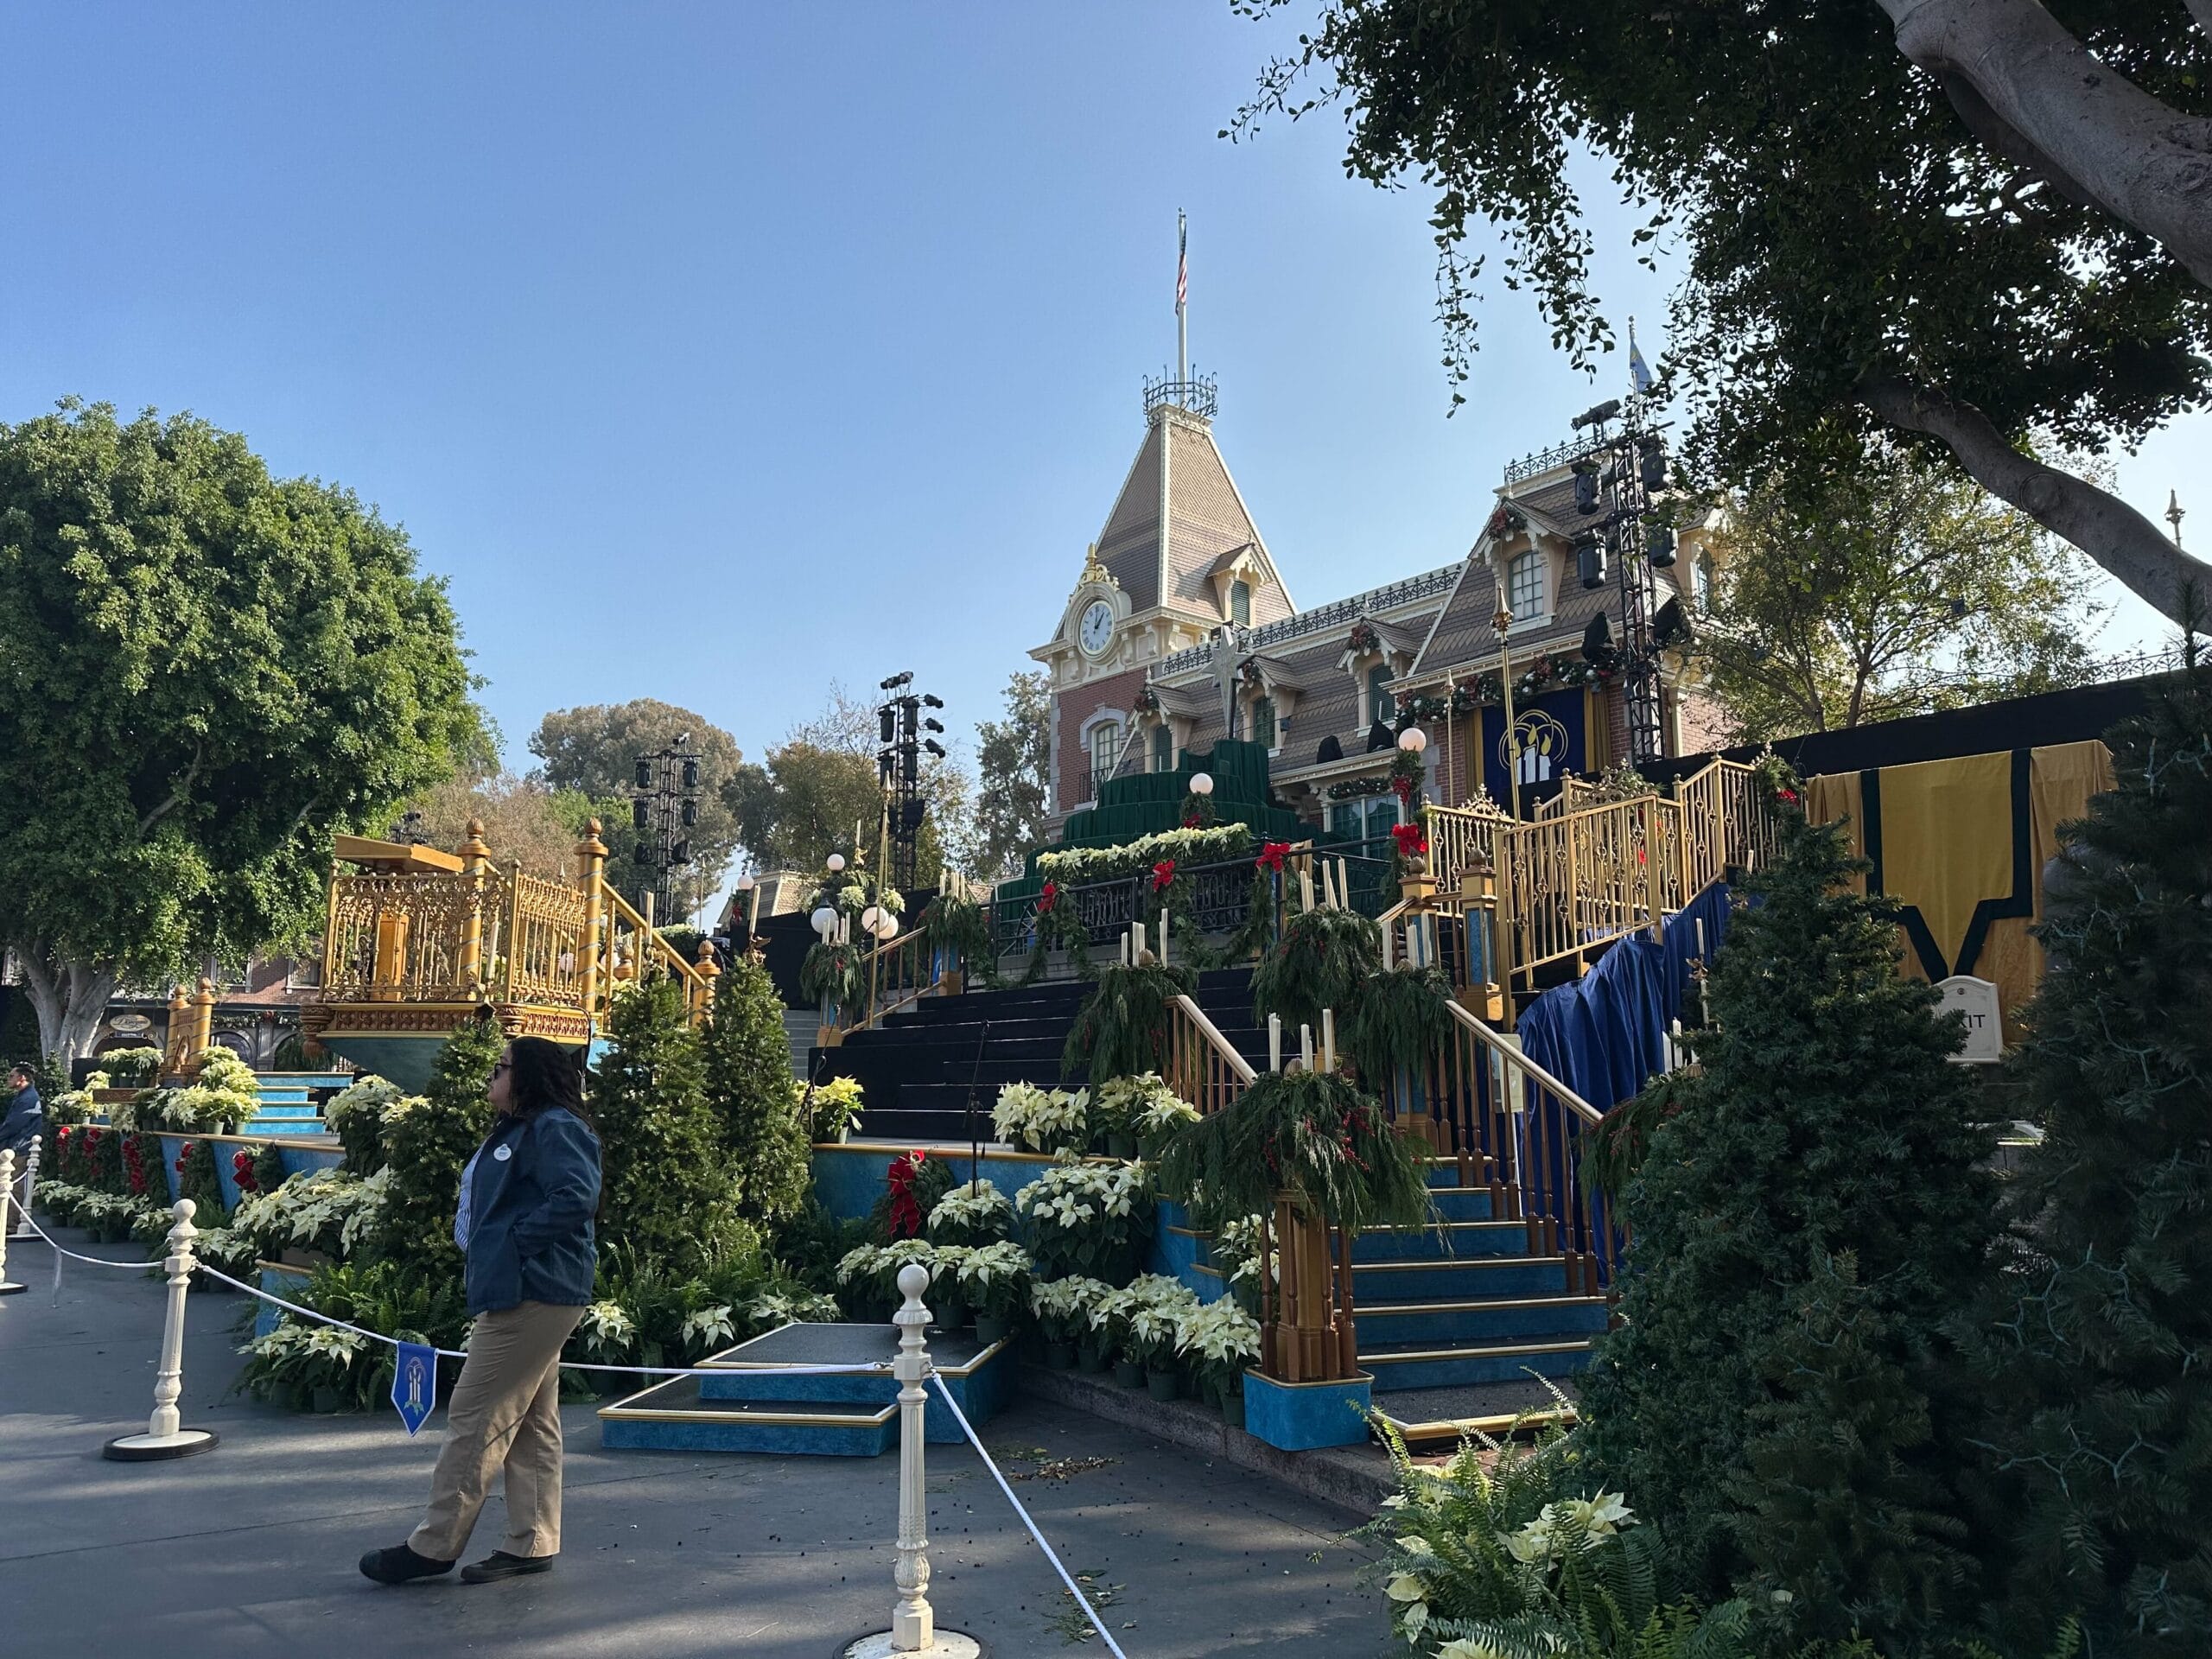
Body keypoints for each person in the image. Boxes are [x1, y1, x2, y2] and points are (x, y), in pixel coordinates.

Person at [359, 1035, 601, 1587]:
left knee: (475, 1417)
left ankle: (434, 1545)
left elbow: (576, 1197)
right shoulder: (520, 1128)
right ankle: (533, 1541)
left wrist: (514, 1245)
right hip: (528, 1287)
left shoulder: (555, 1127)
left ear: (529, 1076)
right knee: (532, 1422)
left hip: (533, 1290)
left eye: (502, 1067)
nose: (493, 1074)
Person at [0, 1064, 42, 1158]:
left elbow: (13, 1125)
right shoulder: (24, 1095)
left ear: (22, 1078)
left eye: (11, 1076)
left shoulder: (27, 1098)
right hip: (18, 1147)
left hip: (20, 1149)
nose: (8, 1079)